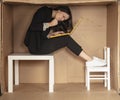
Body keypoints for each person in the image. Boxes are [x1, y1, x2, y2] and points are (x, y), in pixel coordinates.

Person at [24, 6, 106, 67]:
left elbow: (40, 35)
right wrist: (50, 24)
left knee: (66, 38)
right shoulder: (43, 11)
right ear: (59, 10)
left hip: (40, 44)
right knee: (66, 39)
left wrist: (52, 35)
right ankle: (90, 60)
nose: (62, 19)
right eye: (63, 16)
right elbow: (33, 27)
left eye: (64, 19)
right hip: (35, 47)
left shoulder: (51, 19)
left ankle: (90, 59)